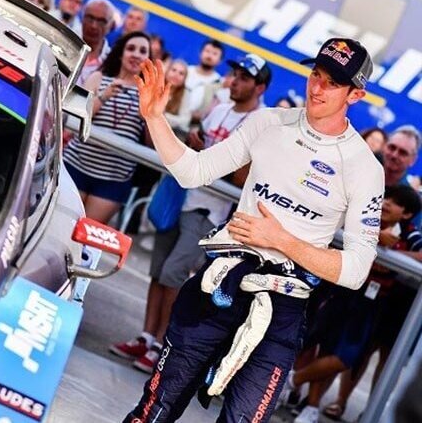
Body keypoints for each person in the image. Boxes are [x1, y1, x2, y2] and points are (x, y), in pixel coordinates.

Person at [123, 37, 384, 423]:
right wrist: (155, 119)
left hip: (282, 308)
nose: (317, 88)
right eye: (315, 74)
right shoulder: (268, 122)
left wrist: (280, 240)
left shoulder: (365, 168)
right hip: (219, 285)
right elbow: (194, 171)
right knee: (153, 411)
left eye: (332, 83)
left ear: (355, 95)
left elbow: (357, 270)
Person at [110, 53, 271, 373]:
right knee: (159, 271)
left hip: (210, 210)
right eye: (235, 74)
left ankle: (162, 345)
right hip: (182, 197)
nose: (235, 81)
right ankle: (146, 337)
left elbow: (242, 179)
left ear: (260, 88)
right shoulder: (220, 109)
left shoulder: (260, 124)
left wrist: (207, 154)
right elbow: (198, 150)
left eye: (244, 78)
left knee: (173, 273)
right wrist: (195, 143)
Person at [288, 184, 421, 423]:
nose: (387, 203)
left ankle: (293, 380)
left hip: (372, 304)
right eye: (386, 197)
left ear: (407, 213)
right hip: (342, 291)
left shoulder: (409, 234)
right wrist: (376, 240)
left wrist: (390, 253)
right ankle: (312, 406)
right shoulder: (365, 216)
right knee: (324, 346)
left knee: (345, 358)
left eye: (395, 202)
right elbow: (341, 226)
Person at [63, 32, 150, 224]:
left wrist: (150, 118)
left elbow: (153, 145)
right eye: (131, 48)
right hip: (75, 166)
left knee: (86, 235)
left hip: (113, 180)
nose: (136, 54)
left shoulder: (149, 95)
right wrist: (103, 97)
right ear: (121, 53)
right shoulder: (98, 78)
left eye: (143, 51)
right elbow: (76, 118)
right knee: (61, 224)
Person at [76, 0, 115, 85]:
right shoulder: (64, 46)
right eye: (90, 18)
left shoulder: (111, 63)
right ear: (82, 18)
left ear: (111, 25)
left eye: (101, 22)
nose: (94, 26)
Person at [186, 39, 225, 126]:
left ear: (220, 61)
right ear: (200, 53)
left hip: (195, 127)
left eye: (215, 54)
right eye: (207, 51)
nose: (209, 56)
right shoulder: (186, 72)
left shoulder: (219, 83)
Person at [162, 59, 192, 136]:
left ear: (185, 79)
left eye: (181, 73)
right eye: (173, 70)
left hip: (169, 133)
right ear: (167, 71)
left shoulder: (186, 93)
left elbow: (185, 121)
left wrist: (164, 116)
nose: (176, 75)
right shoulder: (157, 85)